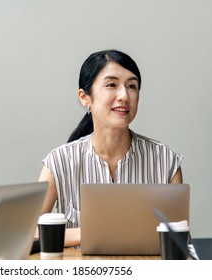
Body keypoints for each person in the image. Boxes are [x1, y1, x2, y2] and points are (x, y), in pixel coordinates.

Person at [38, 49, 183, 247]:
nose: (124, 95)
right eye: (111, 85)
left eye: (132, 86)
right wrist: (91, 232)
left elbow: (178, 241)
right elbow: (29, 232)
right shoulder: (58, 163)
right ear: (84, 97)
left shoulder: (166, 162)